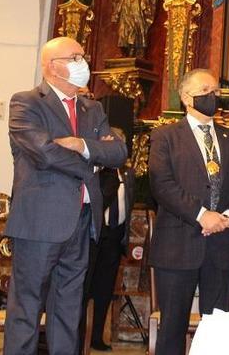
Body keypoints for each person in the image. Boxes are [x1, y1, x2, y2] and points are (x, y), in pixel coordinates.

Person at [4, 37, 127, 355]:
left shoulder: (93, 107)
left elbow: (117, 152)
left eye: (82, 56)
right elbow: (45, 154)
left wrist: (83, 145)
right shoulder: (27, 102)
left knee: (69, 313)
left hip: (83, 221)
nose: (82, 63)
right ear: (51, 66)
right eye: (74, 57)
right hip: (39, 223)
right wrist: (91, 165)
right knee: (26, 312)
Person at [148, 69, 229, 355]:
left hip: (222, 247)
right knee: (172, 328)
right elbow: (162, 184)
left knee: (217, 329)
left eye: (216, 91)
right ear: (186, 97)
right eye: (206, 90)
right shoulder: (165, 136)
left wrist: (228, 218)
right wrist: (201, 214)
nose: (213, 96)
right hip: (177, 246)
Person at [81, 127, 136, 352]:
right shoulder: (98, 173)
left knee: (104, 291)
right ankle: (79, 338)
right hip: (94, 237)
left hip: (115, 238)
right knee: (85, 290)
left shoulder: (128, 174)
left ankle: (97, 338)